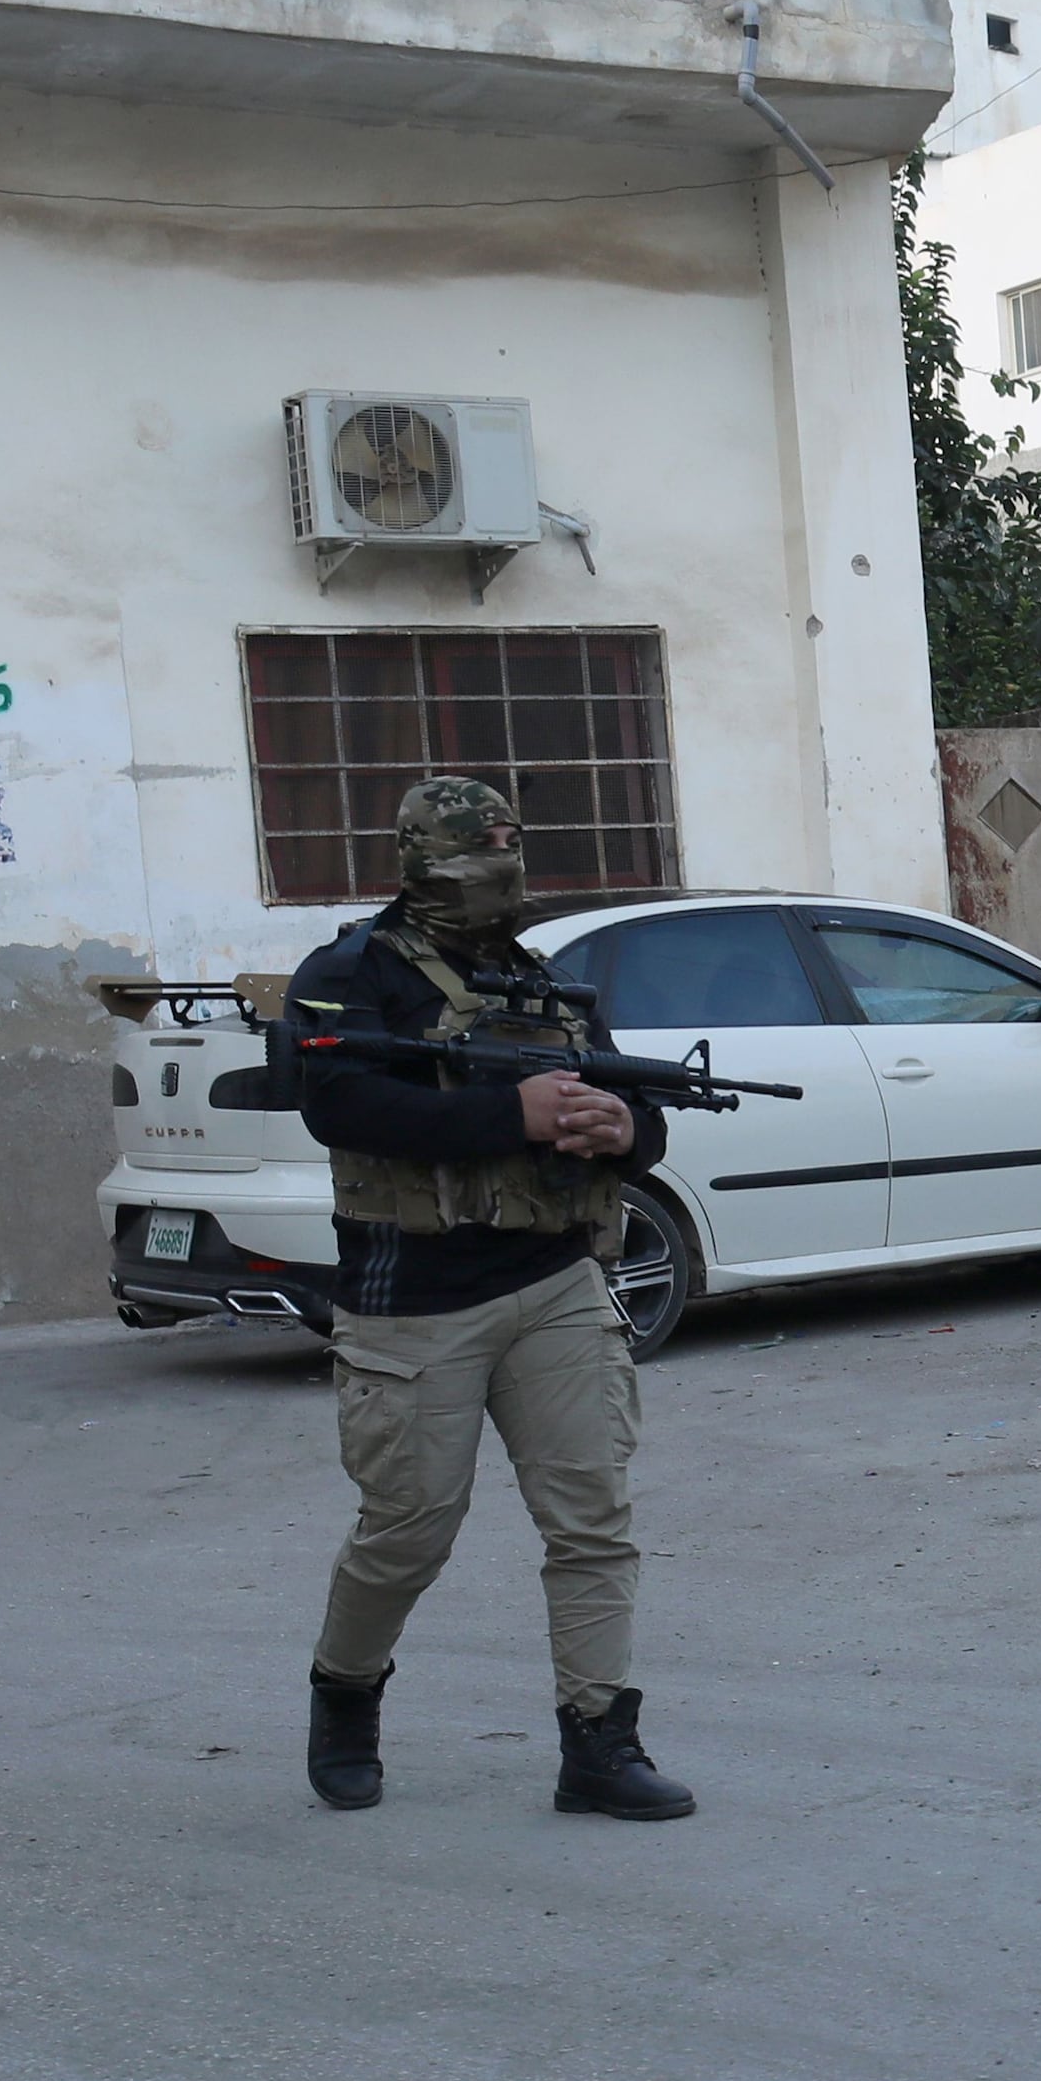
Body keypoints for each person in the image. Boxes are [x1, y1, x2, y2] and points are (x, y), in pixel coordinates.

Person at [289, 777, 694, 1824]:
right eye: (474, 853)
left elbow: (629, 1103)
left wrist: (625, 1130)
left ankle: (600, 1742)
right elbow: (336, 1103)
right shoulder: (349, 974)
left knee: (592, 1520)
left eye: (510, 850)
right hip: (409, 1298)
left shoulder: (541, 980)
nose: (496, 873)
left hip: (555, 1280)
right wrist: (506, 1113)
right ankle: (344, 1696)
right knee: (410, 1529)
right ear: (418, 860)